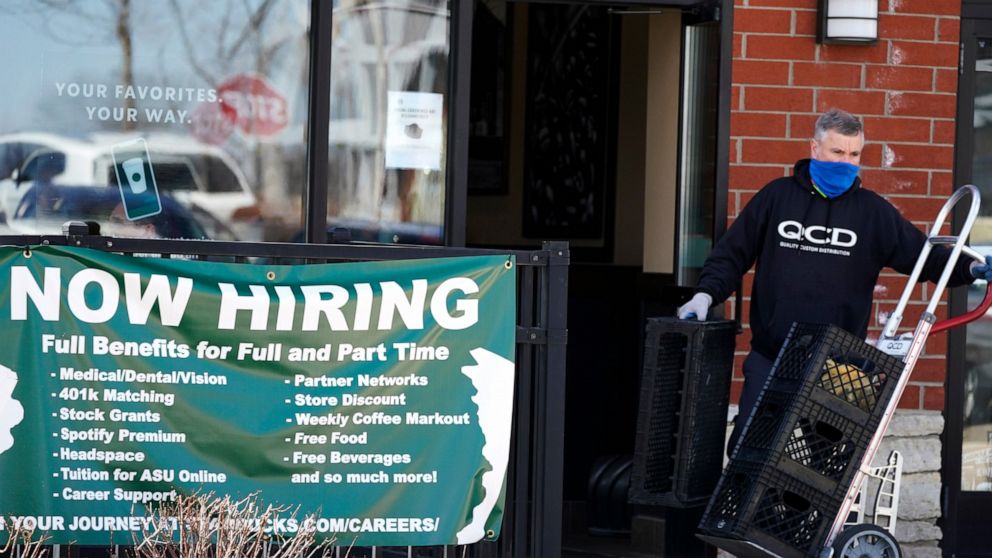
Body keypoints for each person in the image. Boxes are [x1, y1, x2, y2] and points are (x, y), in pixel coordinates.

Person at [677, 108, 992, 455]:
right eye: (837, 152)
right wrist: (705, 295)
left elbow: (926, 258)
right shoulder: (777, 198)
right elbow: (732, 254)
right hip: (773, 356)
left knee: (824, 468)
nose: (846, 162)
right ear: (815, 148)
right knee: (749, 451)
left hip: (840, 366)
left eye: (854, 154)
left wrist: (972, 268)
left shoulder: (872, 213)